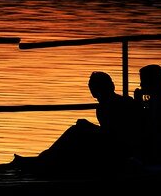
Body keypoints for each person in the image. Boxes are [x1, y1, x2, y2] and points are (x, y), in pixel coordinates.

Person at [11, 71, 143, 176]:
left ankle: (41, 161)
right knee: (76, 133)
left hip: (119, 151)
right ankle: (42, 160)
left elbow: (115, 135)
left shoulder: (120, 104)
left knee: (76, 132)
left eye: (95, 88)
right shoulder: (108, 106)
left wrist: (89, 127)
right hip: (113, 146)